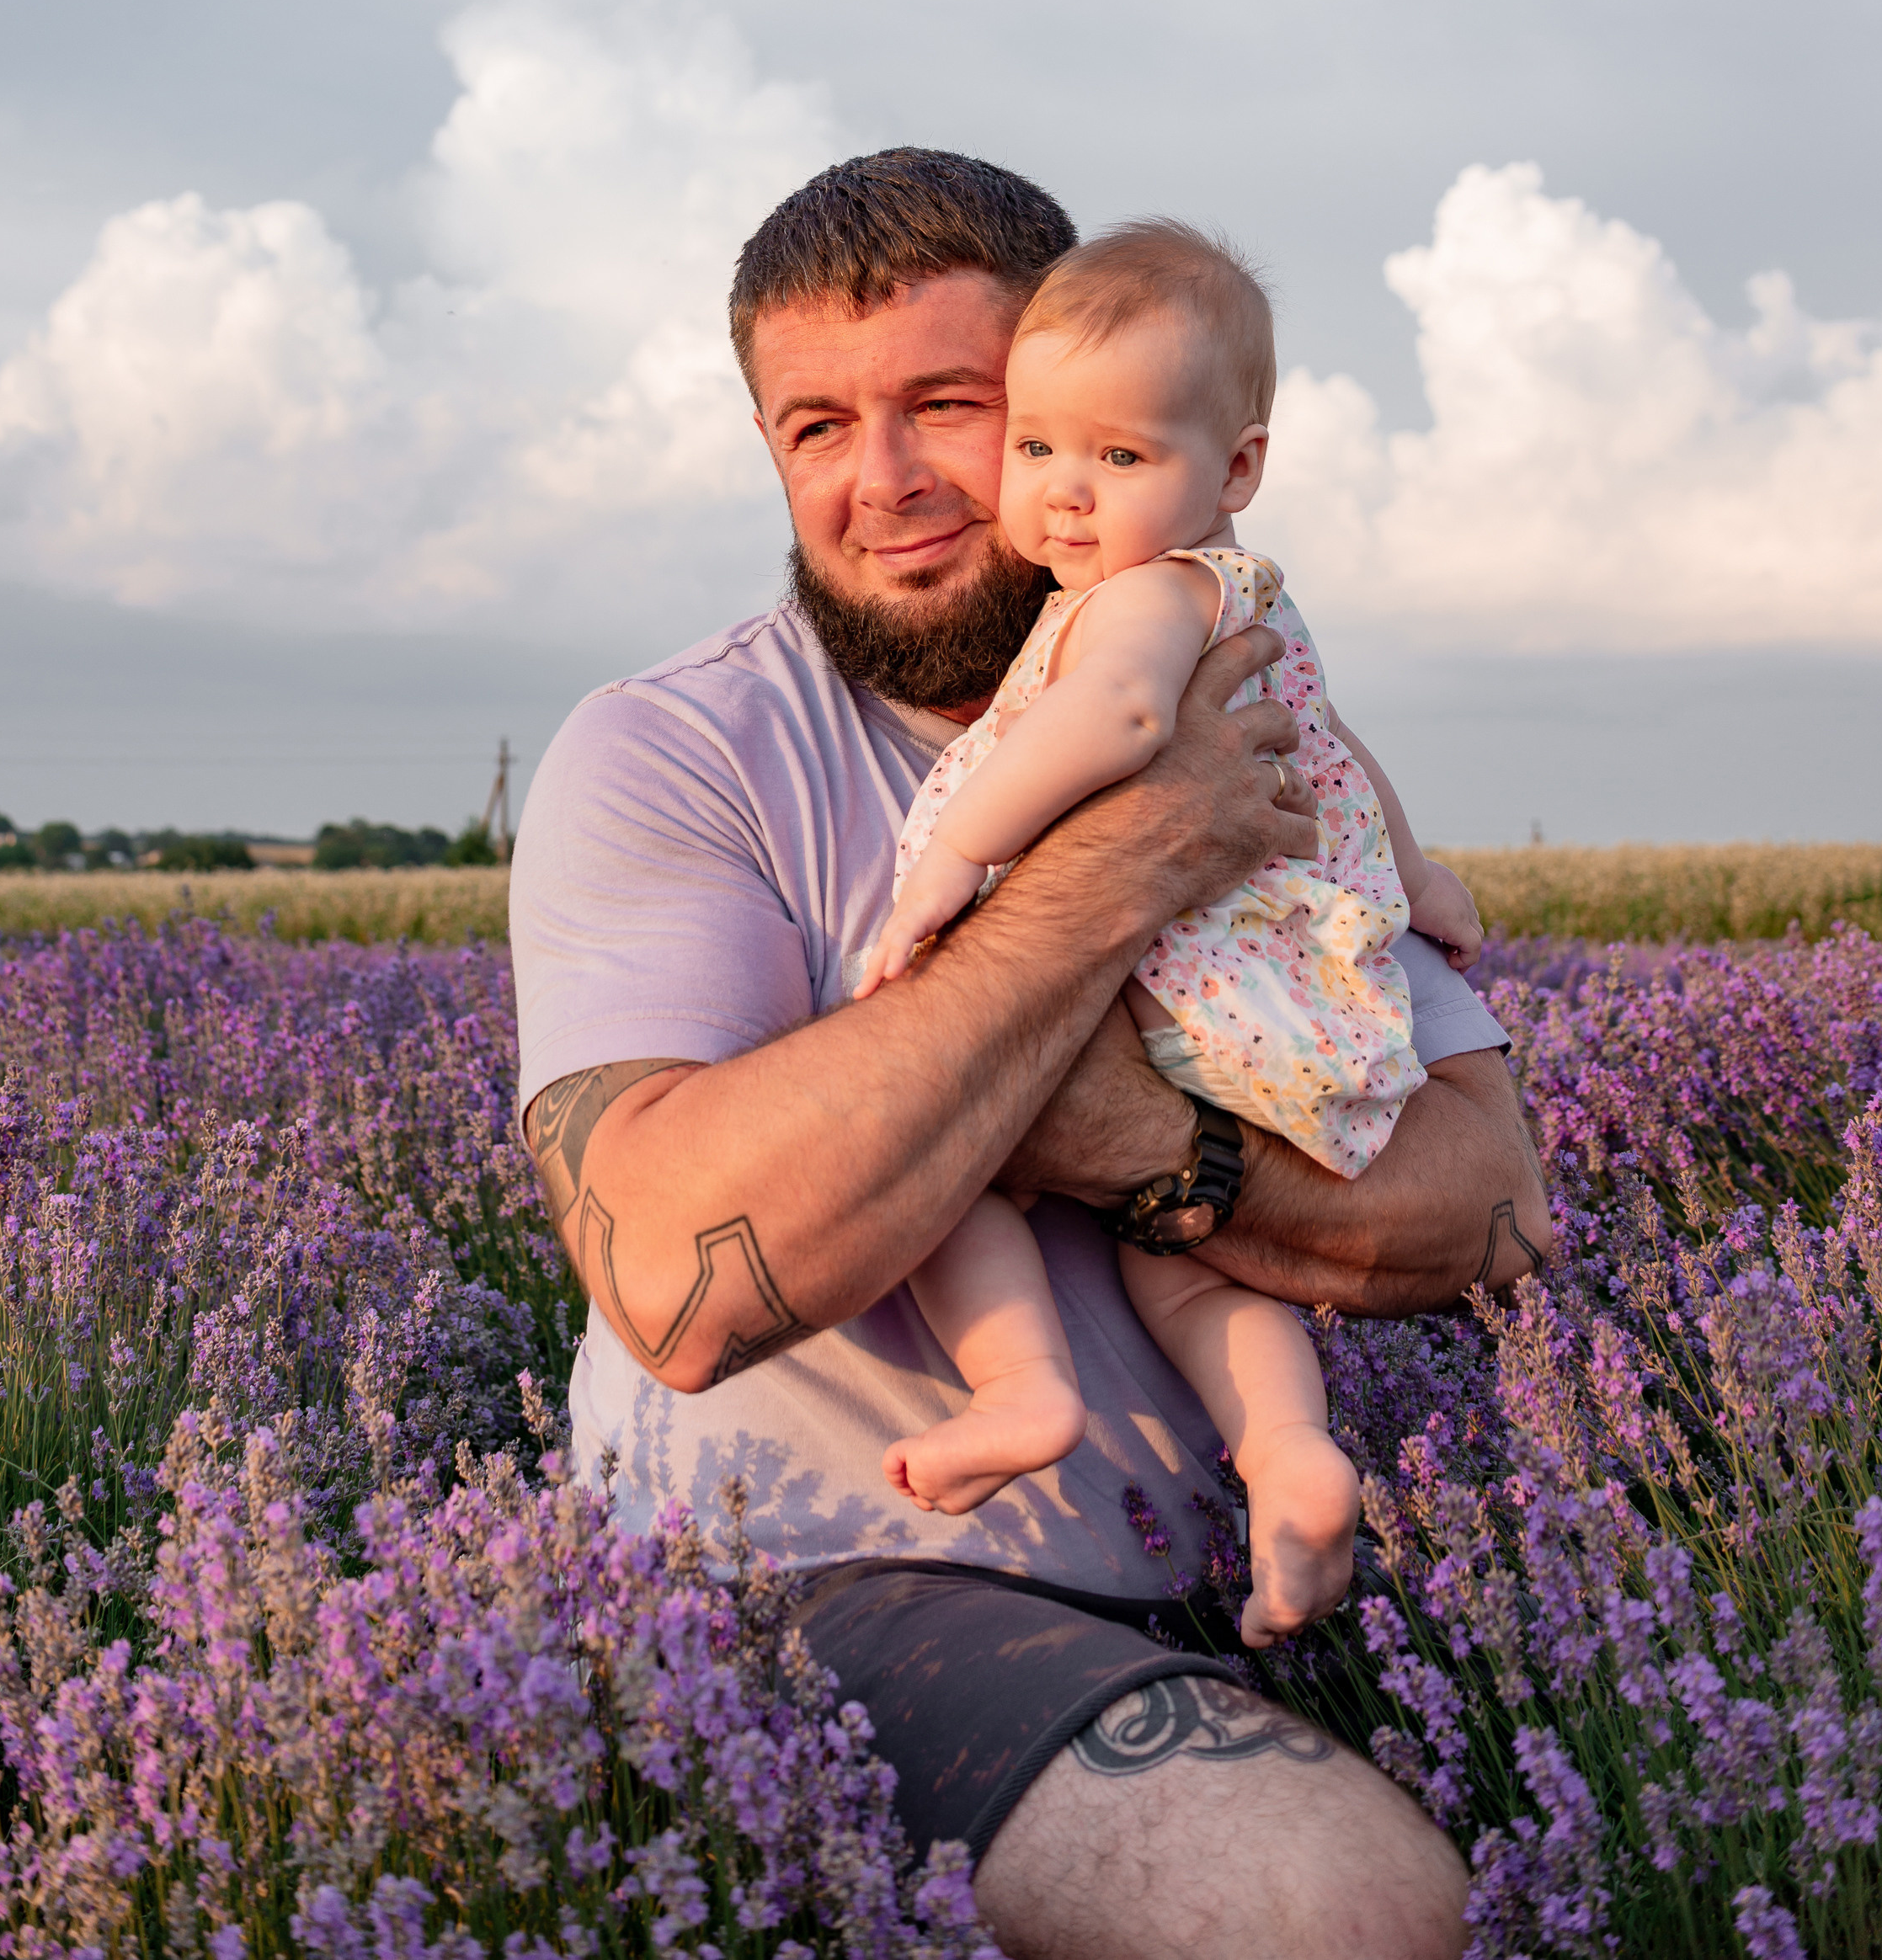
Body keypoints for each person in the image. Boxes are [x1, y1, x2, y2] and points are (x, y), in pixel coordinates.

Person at [512, 147, 1553, 1960]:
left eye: (949, 408)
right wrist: (1112, 881)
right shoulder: (672, 753)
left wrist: (1149, 1142)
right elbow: (680, 1276)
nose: (885, 481)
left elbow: (1491, 1211)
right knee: (1338, 1910)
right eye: (813, 425)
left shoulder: (1236, 694)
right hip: (831, 1573)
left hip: (1219, 1565)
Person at [854, 221, 1485, 1650]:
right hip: (1293, 1011)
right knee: (1195, 1265)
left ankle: (1020, 1387)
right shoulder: (1252, 601)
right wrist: (1423, 875)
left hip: (1184, 989)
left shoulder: (1145, 602)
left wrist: (960, 848)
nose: (1067, 497)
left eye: (1121, 461)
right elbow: (1342, 750)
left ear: (1236, 470)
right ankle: (1288, 1455)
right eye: (1038, 452)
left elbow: (1124, 721)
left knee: (962, 1152)